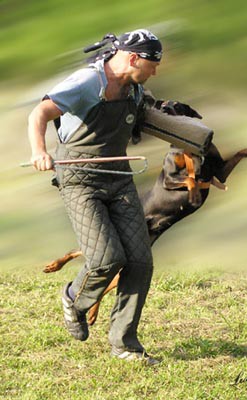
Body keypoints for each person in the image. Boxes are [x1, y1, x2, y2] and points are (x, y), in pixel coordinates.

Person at [28, 29, 163, 365]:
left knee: (140, 262)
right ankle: (74, 298)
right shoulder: (88, 83)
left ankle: (125, 344)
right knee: (106, 258)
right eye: (152, 64)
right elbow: (40, 113)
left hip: (119, 179)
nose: (155, 71)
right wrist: (39, 151)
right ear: (133, 58)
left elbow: (151, 118)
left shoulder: (135, 90)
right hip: (80, 180)